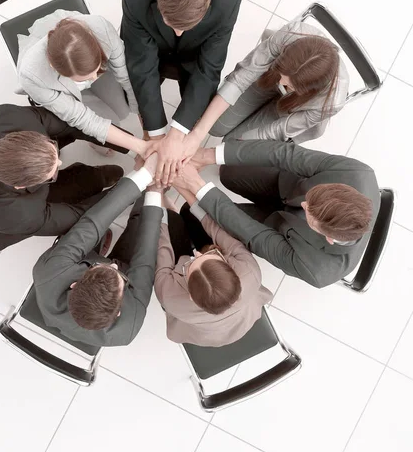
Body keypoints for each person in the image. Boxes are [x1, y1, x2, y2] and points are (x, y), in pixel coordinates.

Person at [174, 139, 379, 288]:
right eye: (314, 197)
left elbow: (256, 235)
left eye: (310, 212)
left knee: (194, 212)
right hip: (286, 186)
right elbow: (285, 154)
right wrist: (206, 155)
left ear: (329, 237)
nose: (305, 203)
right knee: (229, 171)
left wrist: (197, 186)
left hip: (274, 230)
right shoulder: (357, 174)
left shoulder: (316, 270)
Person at [0, 104, 148, 253]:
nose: (60, 163)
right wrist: (133, 185)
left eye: (54, 149)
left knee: (66, 137)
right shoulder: (19, 214)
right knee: (72, 193)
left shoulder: (12, 117)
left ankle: (94, 176)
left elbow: (76, 124)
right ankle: (93, 179)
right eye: (51, 174)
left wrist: (135, 149)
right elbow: (80, 214)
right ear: (23, 186)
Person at [121, 0, 242, 183]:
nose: (178, 32)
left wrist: (176, 135)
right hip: (151, 51)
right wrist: (158, 137)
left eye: (185, 26)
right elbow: (142, 65)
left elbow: (209, 70)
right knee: (133, 95)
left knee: (196, 114)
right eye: (173, 24)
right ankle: (155, 154)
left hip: (196, 57)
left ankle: (173, 164)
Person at [33, 155, 162, 347]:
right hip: (87, 267)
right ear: (120, 311)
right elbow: (145, 264)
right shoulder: (129, 325)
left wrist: (145, 175)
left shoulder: (50, 272)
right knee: (143, 224)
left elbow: (93, 223)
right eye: (119, 275)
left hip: (74, 260)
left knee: (86, 227)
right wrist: (155, 193)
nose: (112, 264)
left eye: (105, 267)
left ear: (75, 285)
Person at [178, 22, 350, 159]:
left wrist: (210, 155)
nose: (282, 83)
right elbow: (241, 78)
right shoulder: (292, 35)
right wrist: (197, 134)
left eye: (290, 85)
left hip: (293, 110)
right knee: (215, 126)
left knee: (233, 144)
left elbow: (277, 130)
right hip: (267, 77)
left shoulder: (332, 102)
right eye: (283, 74)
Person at [154, 187, 272, 347]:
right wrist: (182, 186)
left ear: (191, 296)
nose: (196, 254)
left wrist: (156, 195)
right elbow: (217, 230)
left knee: (172, 223)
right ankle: (175, 215)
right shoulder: (249, 271)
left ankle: (172, 214)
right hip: (236, 322)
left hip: (202, 333)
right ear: (231, 270)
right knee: (190, 211)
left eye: (188, 267)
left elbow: (163, 250)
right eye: (208, 257)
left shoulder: (171, 297)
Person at [17, 10, 139, 156]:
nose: (94, 78)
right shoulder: (32, 76)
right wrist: (139, 148)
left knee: (124, 110)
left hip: (91, 64)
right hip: (61, 91)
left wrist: (145, 120)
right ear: (56, 69)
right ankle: (93, 142)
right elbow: (81, 118)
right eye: (84, 78)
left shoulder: (103, 29)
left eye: (95, 69)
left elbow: (126, 77)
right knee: (111, 125)